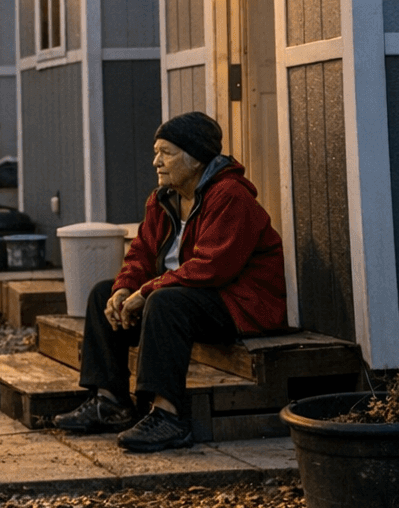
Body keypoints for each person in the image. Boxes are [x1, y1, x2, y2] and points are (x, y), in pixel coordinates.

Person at [51, 111, 286, 453]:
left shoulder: (231, 197)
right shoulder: (162, 200)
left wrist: (148, 291)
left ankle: (169, 417)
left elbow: (212, 267)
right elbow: (142, 254)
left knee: (165, 302)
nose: (156, 161)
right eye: (156, 151)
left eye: (167, 153)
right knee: (103, 292)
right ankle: (110, 402)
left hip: (241, 304)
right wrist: (124, 289)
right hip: (189, 297)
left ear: (195, 159)